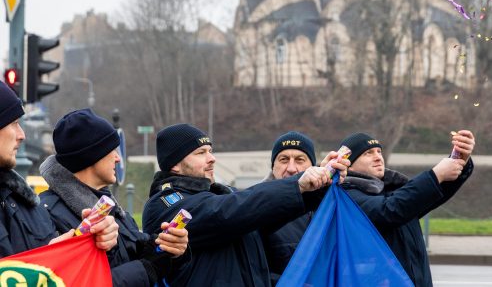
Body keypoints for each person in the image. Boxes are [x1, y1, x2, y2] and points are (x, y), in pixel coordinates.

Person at [143, 124, 348, 286]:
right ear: (175, 164)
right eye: (201, 153)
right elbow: (227, 211)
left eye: (210, 151)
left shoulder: (221, 194)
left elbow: (264, 213)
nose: (212, 158)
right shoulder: (165, 203)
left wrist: (321, 184)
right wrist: (296, 183)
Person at [39, 108, 189, 287]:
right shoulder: (49, 215)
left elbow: (135, 256)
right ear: (92, 155)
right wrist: (146, 269)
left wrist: (171, 251)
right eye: (112, 150)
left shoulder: (112, 208)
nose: (118, 158)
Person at [339, 130, 475, 287]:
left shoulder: (391, 189)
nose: (378, 157)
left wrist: (460, 160)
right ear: (348, 163)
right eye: (368, 153)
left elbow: (430, 194)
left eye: (379, 151)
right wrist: (436, 174)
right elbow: (389, 210)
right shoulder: (346, 194)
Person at [0, 82, 119, 259]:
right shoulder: (34, 203)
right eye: (14, 123)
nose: (22, 135)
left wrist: (95, 243)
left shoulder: (26, 202)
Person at [260, 131, 317, 285]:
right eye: (284, 160)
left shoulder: (328, 206)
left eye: (300, 160)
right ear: (273, 167)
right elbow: (253, 271)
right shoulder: (256, 210)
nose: (291, 168)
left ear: (313, 166)